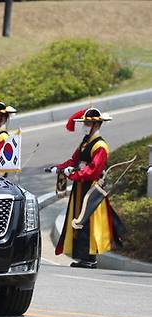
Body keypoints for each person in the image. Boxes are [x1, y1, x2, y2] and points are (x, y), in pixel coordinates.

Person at [51, 107, 124, 269]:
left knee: (88, 221)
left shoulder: (100, 146)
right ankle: (82, 256)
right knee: (78, 220)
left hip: (91, 189)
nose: (84, 125)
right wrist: (60, 168)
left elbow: (93, 170)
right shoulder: (85, 142)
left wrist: (73, 174)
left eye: (87, 123)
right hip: (80, 187)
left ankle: (90, 258)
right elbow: (74, 160)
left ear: (96, 125)